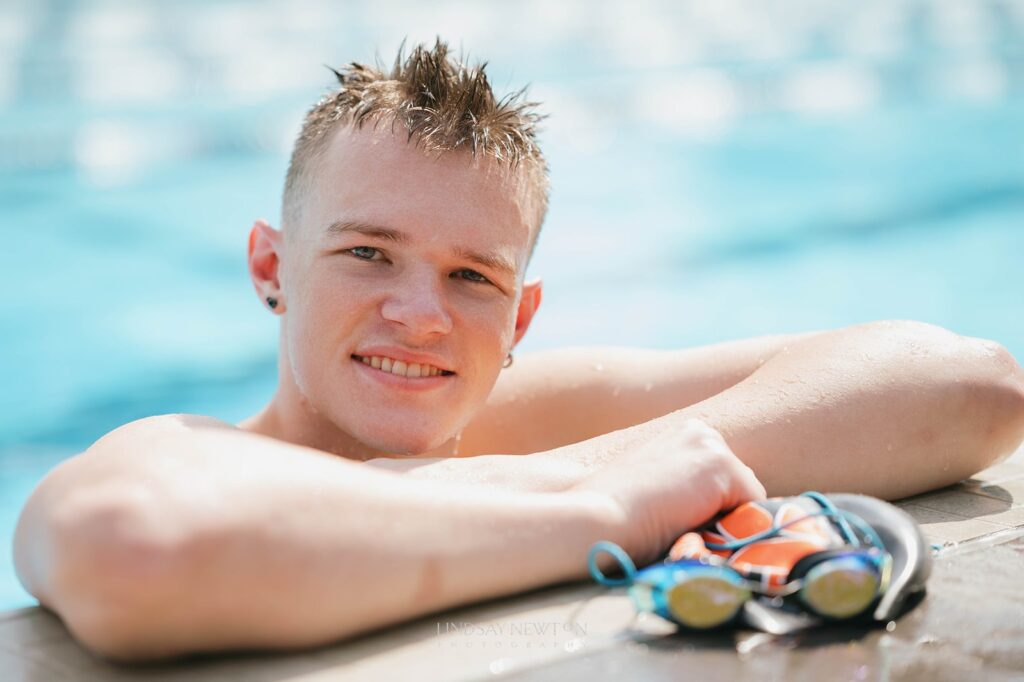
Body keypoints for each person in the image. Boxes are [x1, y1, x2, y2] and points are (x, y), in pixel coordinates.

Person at [13, 40, 1024, 662]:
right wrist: (601, 508)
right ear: (270, 266)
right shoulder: (189, 451)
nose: (421, 315)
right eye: (368, 254)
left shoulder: (522, 417)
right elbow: (136, 552)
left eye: (471, 278)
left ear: (522, 318)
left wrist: (581, 472)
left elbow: (965, 382)